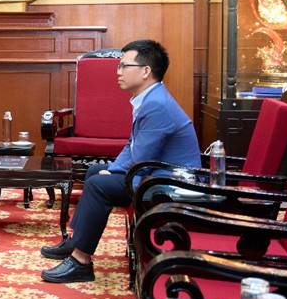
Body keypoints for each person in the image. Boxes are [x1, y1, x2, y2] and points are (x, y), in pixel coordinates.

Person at [40, 39, 200, 283]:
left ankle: (81, 262)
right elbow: (132, 145)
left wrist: (115, 175)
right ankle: (76, 241)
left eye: (124, 66)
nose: (118, 71)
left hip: (171, 183)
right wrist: (114, 169)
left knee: (99, 185)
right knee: (96, 172)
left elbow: (142, 158)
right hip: (154, 172)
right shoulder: (149, 97)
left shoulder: (156, 104)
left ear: (145, 71)